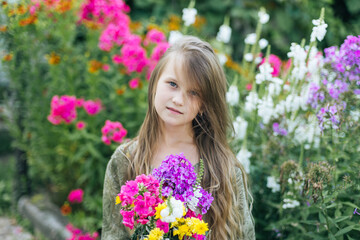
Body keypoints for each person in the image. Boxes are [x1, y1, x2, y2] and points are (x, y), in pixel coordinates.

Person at [102, 36, 255, 240]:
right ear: (155, 81)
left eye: (193, 93)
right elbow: (113, 234)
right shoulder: (126, 159)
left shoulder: (224, 171)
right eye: (172, 84)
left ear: (204, 105)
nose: (178, 99)